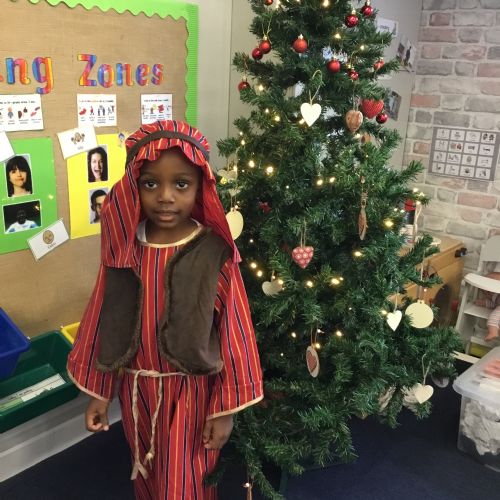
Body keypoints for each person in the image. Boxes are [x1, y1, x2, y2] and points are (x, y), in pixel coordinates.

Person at [67, 120, 263, 499]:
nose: (165, 197)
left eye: (181, 184)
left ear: (201, 187)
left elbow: (235, 332)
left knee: (185, 483)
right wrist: (101, 392)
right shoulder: (125, 252)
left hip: (193, 395)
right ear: (134, 186)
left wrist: (225, 410)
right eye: (151, 184)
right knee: (148, 476)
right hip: (137, 389)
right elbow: (103, 322)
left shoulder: (213, 253)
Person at [475, 266, 500, 341]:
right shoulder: (495, 298)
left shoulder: (496, 294)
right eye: (485, 293)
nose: (487, 294)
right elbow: (493, 304)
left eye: (487, 292)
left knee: (493, 318)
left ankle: (493, 333)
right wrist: (482, 302)